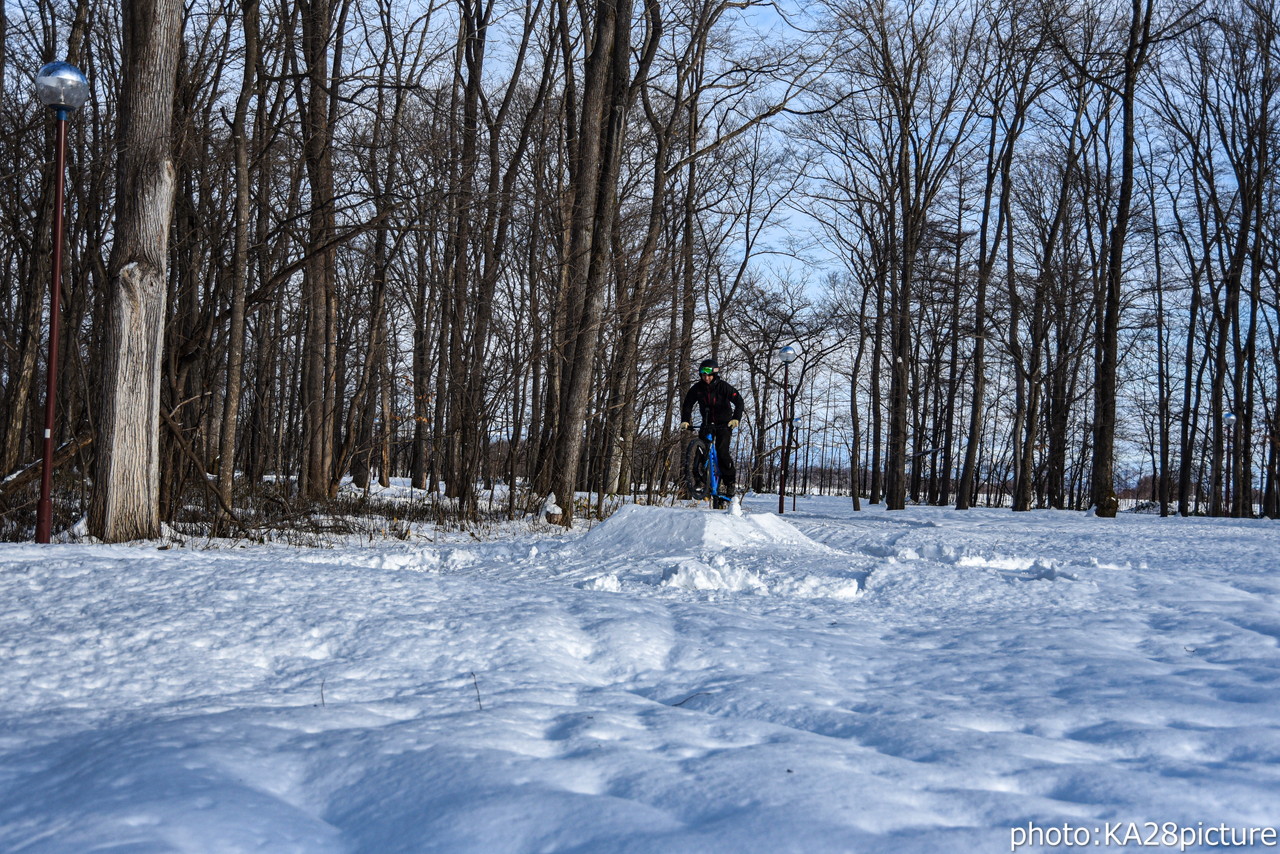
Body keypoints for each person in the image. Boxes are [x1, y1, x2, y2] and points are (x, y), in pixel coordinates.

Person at [680, 358, 745, 498]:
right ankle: (699, 481)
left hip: (724, 424)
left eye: (709, 375)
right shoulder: (697, 389)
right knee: (700, 452)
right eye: (703, 375)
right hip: (707, 423)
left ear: (714, 375)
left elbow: (739, 401)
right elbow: (687, 404)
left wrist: (736, 418)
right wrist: (685, 420)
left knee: (722, 453)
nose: (706, 378)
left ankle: (730, 483)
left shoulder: (723, 387)